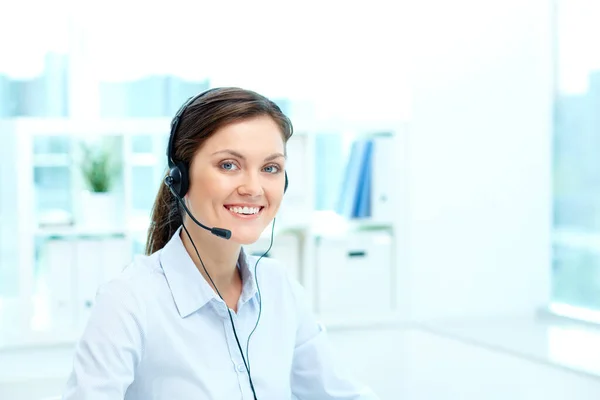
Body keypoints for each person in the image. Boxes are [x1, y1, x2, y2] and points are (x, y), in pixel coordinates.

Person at [62, 87, 379, 399]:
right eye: (229, 165)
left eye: (270, 168)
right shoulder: (130, 302)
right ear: (180, 178)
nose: (253, 188)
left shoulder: (279, 287)